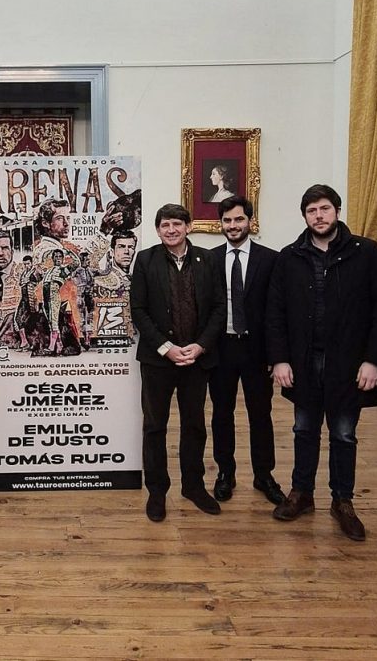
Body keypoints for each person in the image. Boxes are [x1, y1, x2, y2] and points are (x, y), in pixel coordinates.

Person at [266, 184, 377, 541]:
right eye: (311, 211)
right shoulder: (289, 257)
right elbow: (275, 313)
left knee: (344, 434)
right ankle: (301, 493)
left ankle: (342, 500)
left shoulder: (366, 253)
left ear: (337, 210)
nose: (318, 216)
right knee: (304, 429)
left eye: (324, 209)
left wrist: (373, 360)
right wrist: (279, 359)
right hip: (303, 362)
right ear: (304, 216)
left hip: (349, 363)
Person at [130, 203, 226, 522]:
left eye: (177, 224)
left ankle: (193, 486)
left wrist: (201, 346)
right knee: (155, 426)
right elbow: (138, 310)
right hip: (158, 360)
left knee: (194, 425)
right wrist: (165, 347)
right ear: (158, 230)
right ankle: (157, 492)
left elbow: (218, 308)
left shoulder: (208, 260)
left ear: (188, 227)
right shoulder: (146, 260)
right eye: (165, 225)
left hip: (196, 360)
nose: (171, 230)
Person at [208, 196, 284, 505]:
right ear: (221, 224)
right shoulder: (209, 259)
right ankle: (225, 473)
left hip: (256, 350)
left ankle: (264, 474)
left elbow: (277, 311)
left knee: (261, 414)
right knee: (221, 414)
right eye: (227, 220)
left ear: (249, 221)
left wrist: (277, 355)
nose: (233, 225)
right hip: (221, 348)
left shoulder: (271, 259)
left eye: (239, 219)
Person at [92, 230, 137, 298]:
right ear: (112, 252)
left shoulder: (137, 279)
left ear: (134, 252)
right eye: (121, 247)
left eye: (131, 247)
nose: (126, 252)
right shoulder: (100, 281)